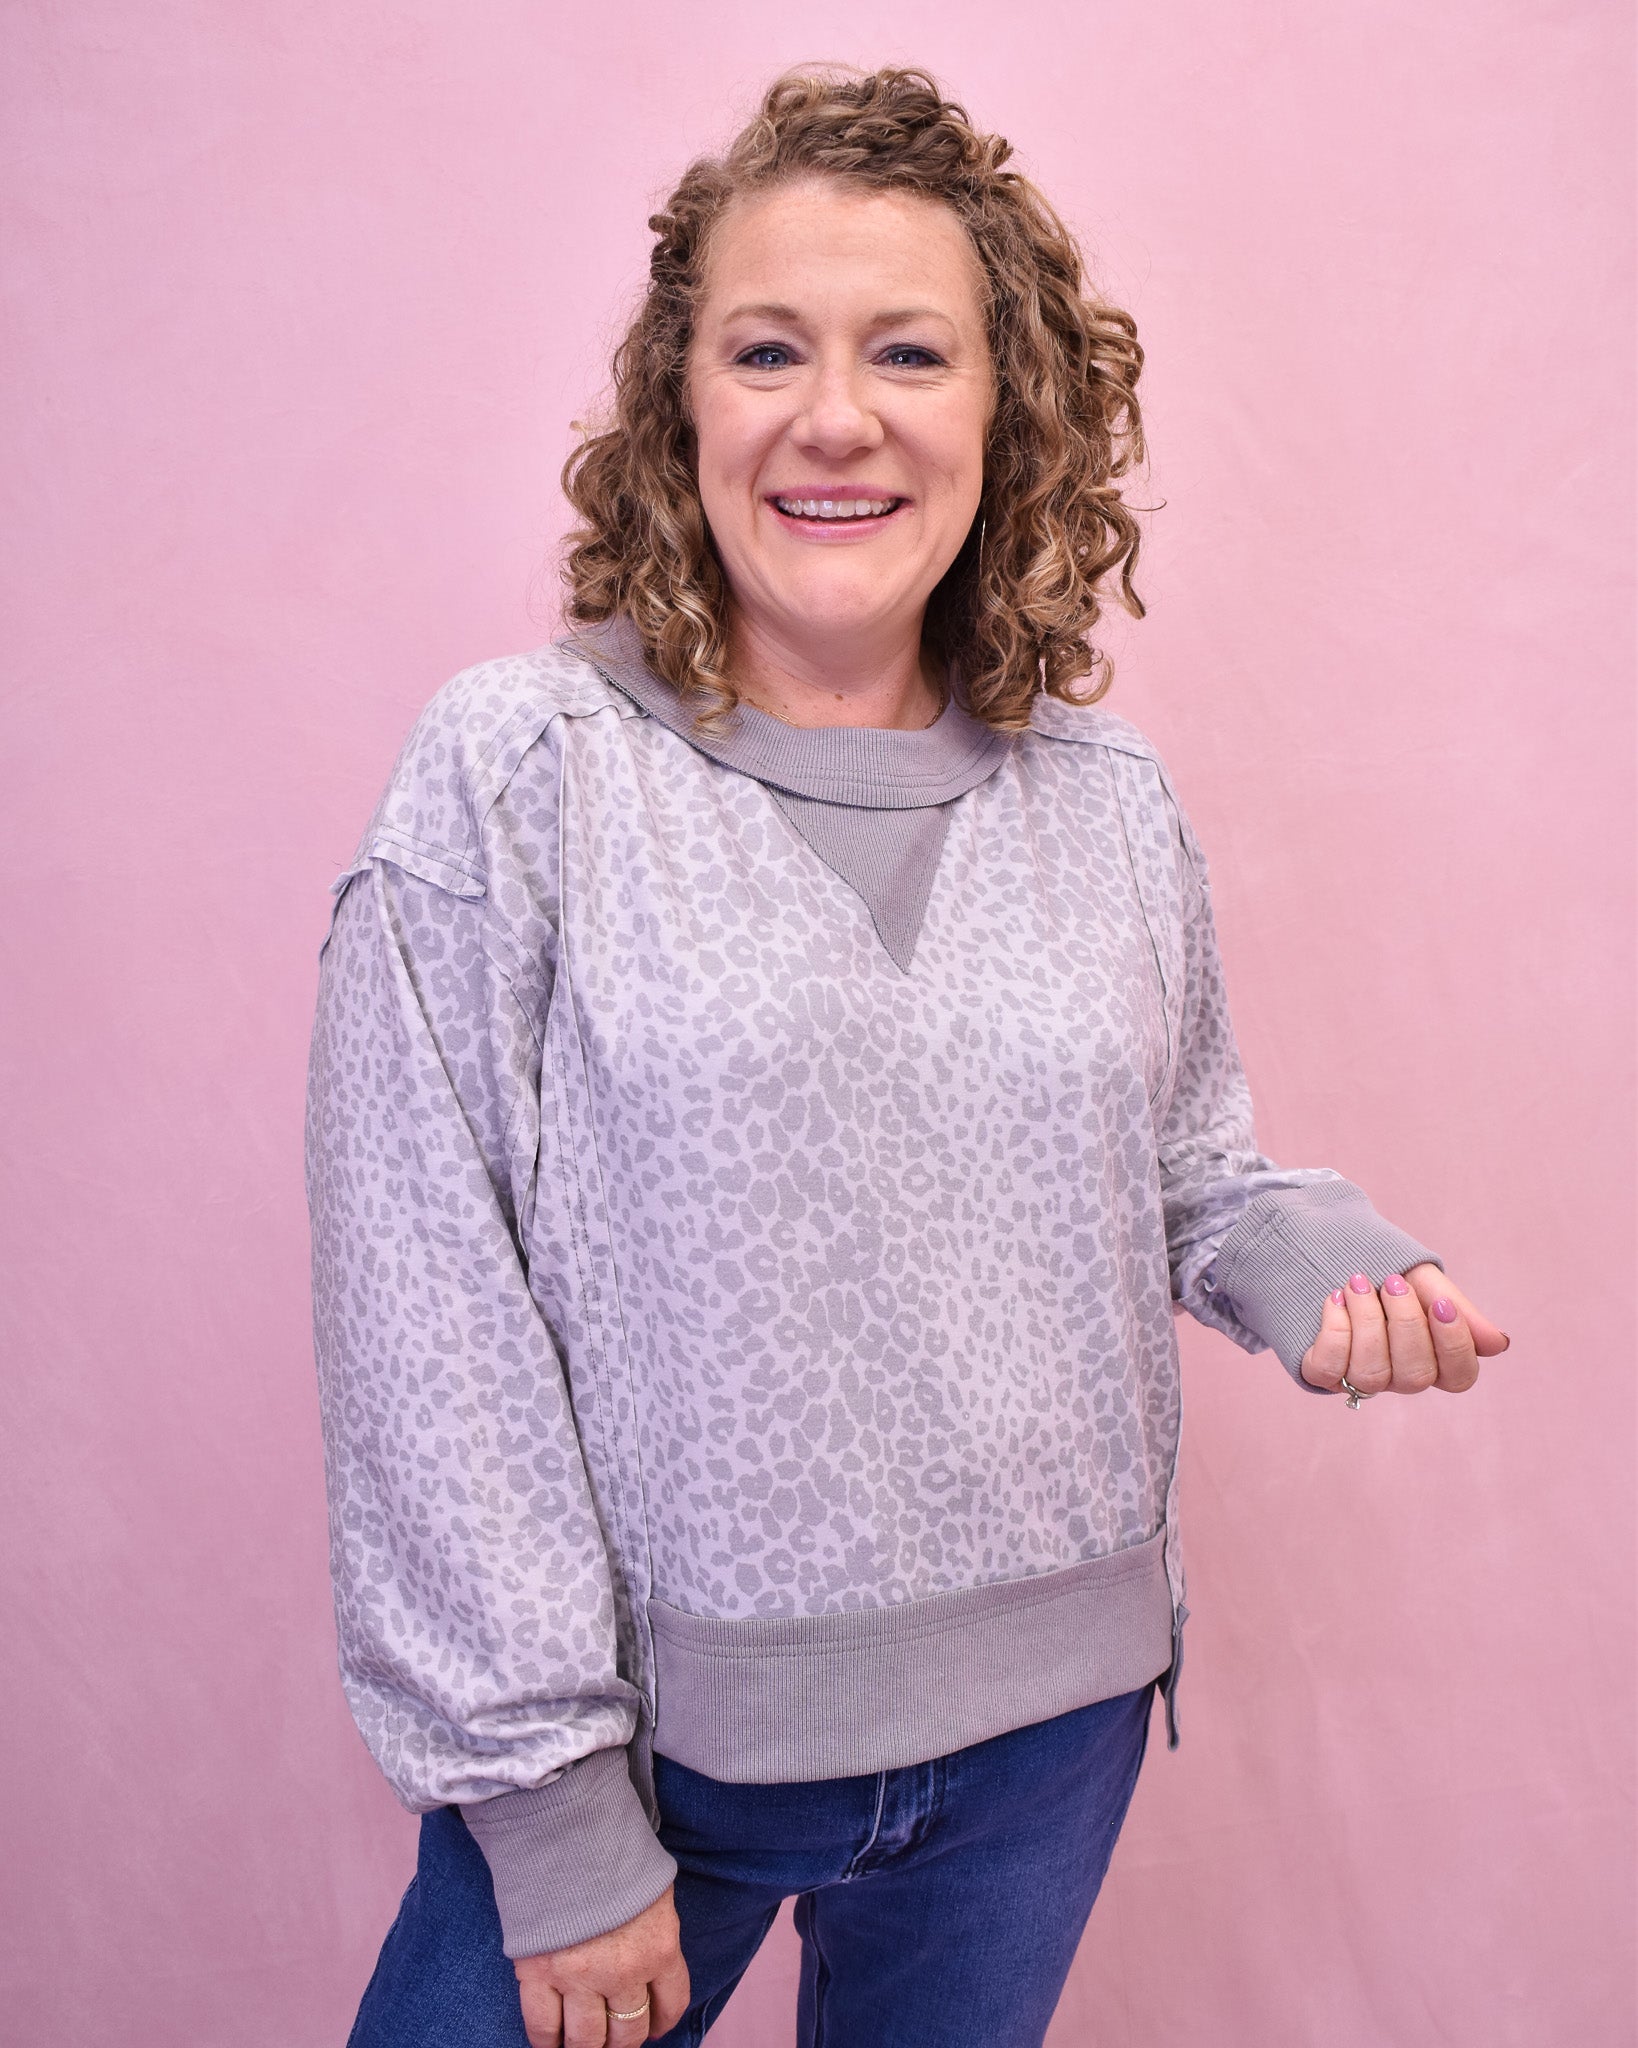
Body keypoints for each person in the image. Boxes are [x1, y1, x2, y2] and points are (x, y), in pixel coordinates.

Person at [305, 65, 1507, 2048]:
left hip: (1048, 1747)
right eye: (766, 347)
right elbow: (426, 1306)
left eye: (909, 351)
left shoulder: (1106, 796)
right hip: (647, 1778)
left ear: (1005, 407)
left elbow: (1191, 1165)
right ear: (680, 402)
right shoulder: (520, 774)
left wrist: (1332, 1270)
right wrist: (548, 1812)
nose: (836, 414)